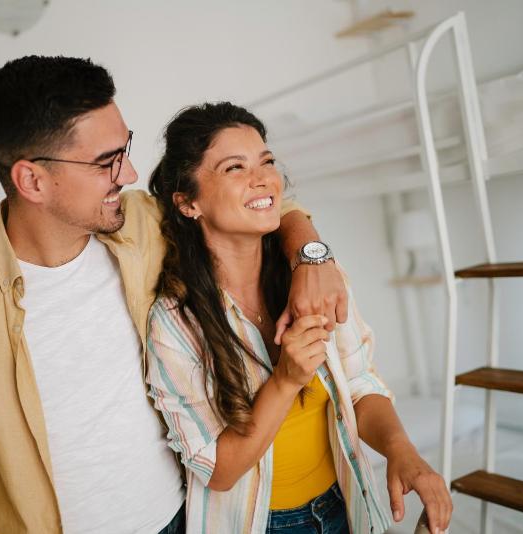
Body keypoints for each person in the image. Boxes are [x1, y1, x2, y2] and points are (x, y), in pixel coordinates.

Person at [0, 56, 347, 534]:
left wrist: (312, 258)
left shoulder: (141, 225)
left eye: (125, 148)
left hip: (182, 519)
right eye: (105, 161)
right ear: (31, 180)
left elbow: (259, 204)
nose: (129, 173)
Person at [145, 102, 453, 534]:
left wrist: (405, 453)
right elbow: (218, 470)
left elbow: (361, 383)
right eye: (235, 167)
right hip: (262, 524)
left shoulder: (314, 275)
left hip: (345, 503)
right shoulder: (176, 323)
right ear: (188, 202)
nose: (263, 178)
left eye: (266, 160)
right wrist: (287, 379)